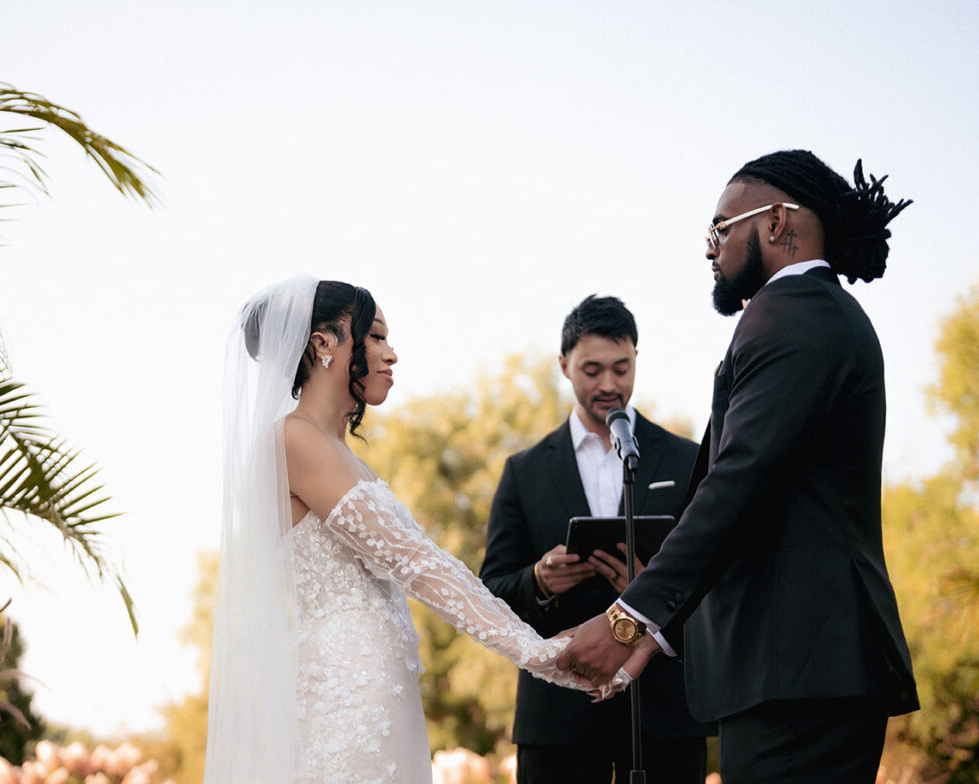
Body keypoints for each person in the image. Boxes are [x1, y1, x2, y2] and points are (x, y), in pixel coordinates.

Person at [558, 150, 920, 783]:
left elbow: (739, 484)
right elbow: (757, 494)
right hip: (798, 670)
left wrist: (628, 616)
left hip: (800, 670)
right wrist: (658, 632)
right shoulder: (806, 315)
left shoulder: (794, 314)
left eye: (721, 228)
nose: (711, 249)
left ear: (778, 222)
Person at [203, 275, 632, 784]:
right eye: (376, 336)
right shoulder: (294, 439)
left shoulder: (339, 453)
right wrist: (535, 651)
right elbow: (418, 565)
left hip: (382, 689)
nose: (391, 354)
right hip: (346, 694)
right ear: (323, 345)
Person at [480, 294, 711, 784]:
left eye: (621, 368)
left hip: (664, 715)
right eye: (592, 369)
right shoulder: (523, 473)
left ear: (636, 361)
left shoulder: (687, 459)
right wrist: (540, 581)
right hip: (557, 719)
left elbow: (716, 581)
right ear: (564, 365)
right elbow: (490, 592)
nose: (609, 384)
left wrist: (654, 591)